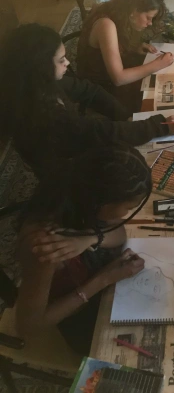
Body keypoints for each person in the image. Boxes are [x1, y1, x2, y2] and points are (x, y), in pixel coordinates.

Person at [0, 23, 174, 179]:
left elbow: (90, 91)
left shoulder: (36, 82)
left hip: (76, 145)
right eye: (61, 60)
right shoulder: (42, 113)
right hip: (68, 174)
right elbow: (100, 133)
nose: (68, 63)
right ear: (41, 67)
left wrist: (125, 116)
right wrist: (158, 126)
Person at [16, 143, 152, 354]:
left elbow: (119, 233)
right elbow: (29, 326)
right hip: (75, 313)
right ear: (103, 202)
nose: (126, 214)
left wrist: (89, 239)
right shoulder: (48, 246)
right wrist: (102, 279)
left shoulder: (80, 197)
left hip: (94, 285)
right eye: (128, 208)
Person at [77, 0, 174, 112]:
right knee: (158, 99)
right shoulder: (106, 25)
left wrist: (134, 47)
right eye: (148, 17)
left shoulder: (116, 11)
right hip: (99, 90)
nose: (150, 23)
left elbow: (113, 42)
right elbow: (119, 78)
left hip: (107, 72)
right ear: (133, 11)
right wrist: (157, 65)